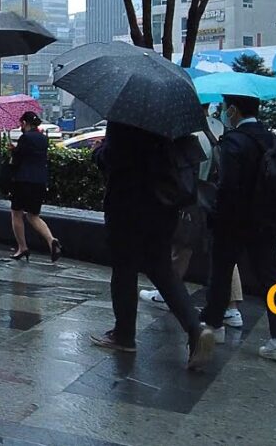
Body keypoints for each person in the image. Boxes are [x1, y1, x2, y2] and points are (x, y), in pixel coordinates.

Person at [90, 122, 214, 370]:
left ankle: (124, 335)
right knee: (161, 267)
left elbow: (113, 158)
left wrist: (98, 150)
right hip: (164, 204)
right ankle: (195, 328)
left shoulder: (125, 116)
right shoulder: (169, 118)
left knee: (124, 268)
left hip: (128, 204)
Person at [200, 95, 276, 363]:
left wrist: (217, 215)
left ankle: (214, 326)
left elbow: (228, 186)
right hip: (266, 221)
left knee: (220, 272)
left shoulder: (233, 142)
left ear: (233, 110)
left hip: (233, 221)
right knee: (270, 278)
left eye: (224, 109)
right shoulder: (269, 138)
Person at [140, 106, 244, 329]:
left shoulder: (192, 135)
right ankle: (232, 307)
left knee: (180, 249)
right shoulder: (215, 132)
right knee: (221, 256)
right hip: (211, 200)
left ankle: (167, 293)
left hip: (193, 202)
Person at [7, 111, 61, 262]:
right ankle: (51, 240)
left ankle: (22, 247)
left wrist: (13, 151)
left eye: (21, 124)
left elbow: (17, 160)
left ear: (24, 123)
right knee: (33, 215)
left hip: (23, 181)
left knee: (16, 213)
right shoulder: (43, 139)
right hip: (40, 182)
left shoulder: (25, 138)